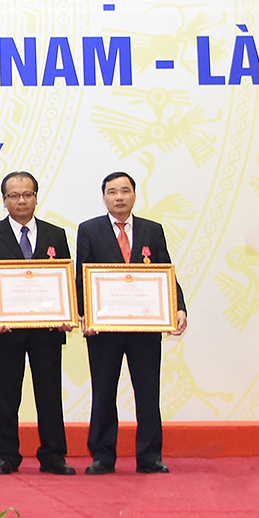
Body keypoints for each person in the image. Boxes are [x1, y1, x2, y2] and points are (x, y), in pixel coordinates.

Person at [76, 171, 188, 475]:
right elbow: (81, 277)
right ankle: (102, 456)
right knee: (103, 392)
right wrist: (84, 314)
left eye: (125, 191)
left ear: (135, 195)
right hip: (104, 329)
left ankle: (150, 456)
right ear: (104, 197)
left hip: (144, 328)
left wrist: (178, 307)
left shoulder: (152, 230)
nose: (119, 197)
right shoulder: (90, 230)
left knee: (148, 392)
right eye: (112, 192)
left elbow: (166, 272)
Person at [0, 170, 75, 475]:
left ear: (36, 197)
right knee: (6, 396)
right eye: (14, 195)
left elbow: (66, 280)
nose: (21, 201)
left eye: (27, 194)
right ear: (4, 200)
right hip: (6, 331)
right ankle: (7, 455)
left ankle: (53, 455)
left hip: (47, 331)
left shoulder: (55, 234)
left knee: (50, 395)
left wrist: (67, 313)